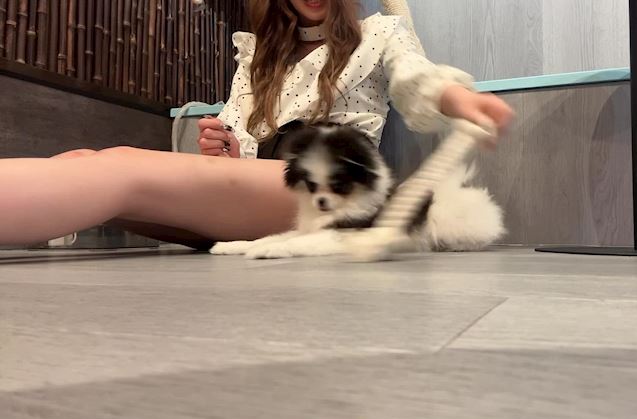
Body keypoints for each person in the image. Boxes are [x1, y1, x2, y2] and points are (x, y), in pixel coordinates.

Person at [0, 0, 513, 250]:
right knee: (86, 160)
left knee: (119, 170)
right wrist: (226, 148)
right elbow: (239, 132)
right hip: (266, 183)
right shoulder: (258, 55)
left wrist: (456, 97)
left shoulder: (379, 32)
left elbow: (413, 75)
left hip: (330, 186)